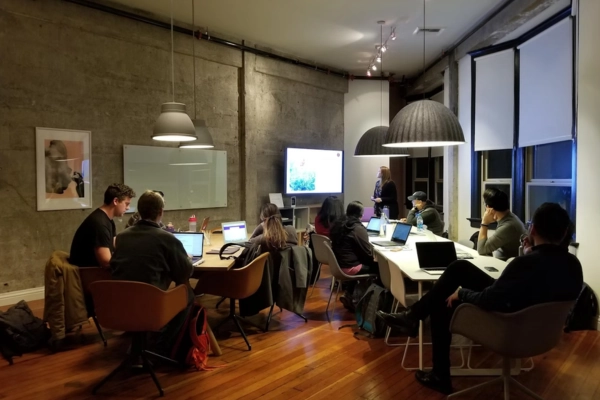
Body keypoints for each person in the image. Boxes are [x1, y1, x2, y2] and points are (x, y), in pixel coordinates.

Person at [377, 203, 583, 395]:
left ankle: (438, 369)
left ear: (533, 230)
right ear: (565, 232)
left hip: (507, 326)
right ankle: (414, 317)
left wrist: (462, 293)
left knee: (444, 301)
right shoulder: (574, 266)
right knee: (460, 267)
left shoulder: (524, 265)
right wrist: (530, 253)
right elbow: (536, 285)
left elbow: (489, 299)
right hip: (540, 331)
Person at [110, 190, 194, 354]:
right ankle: (162, 345)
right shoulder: (167, 239)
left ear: (139, 212)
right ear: (161, 212)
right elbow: (185, 273)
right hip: (153, 304)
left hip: (120, 303)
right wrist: (187, 258)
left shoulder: (121, 237)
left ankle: (140, 343)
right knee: (187, 293)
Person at [69, 183, 136, 268]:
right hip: (88, 274)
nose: (128, 208)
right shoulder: (100, 224)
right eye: (126, 204)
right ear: (115, 201)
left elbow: (115, 244)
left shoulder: (107, 220)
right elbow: (106, 262)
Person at [330, 201, 379, 307]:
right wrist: (377, 260)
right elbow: (366, 255)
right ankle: (373, 303)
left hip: (338, 265)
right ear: (361, 214)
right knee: (381, 269)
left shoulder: (339, 224)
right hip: (349, 267)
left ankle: (349, 294)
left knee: (360, 260)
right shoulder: (357, 228)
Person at [478, 187, 527, 260]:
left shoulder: (508, 226)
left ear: (489, 208)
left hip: (505, 267)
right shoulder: (509, 217)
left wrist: (484, 223)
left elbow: (481, 249)